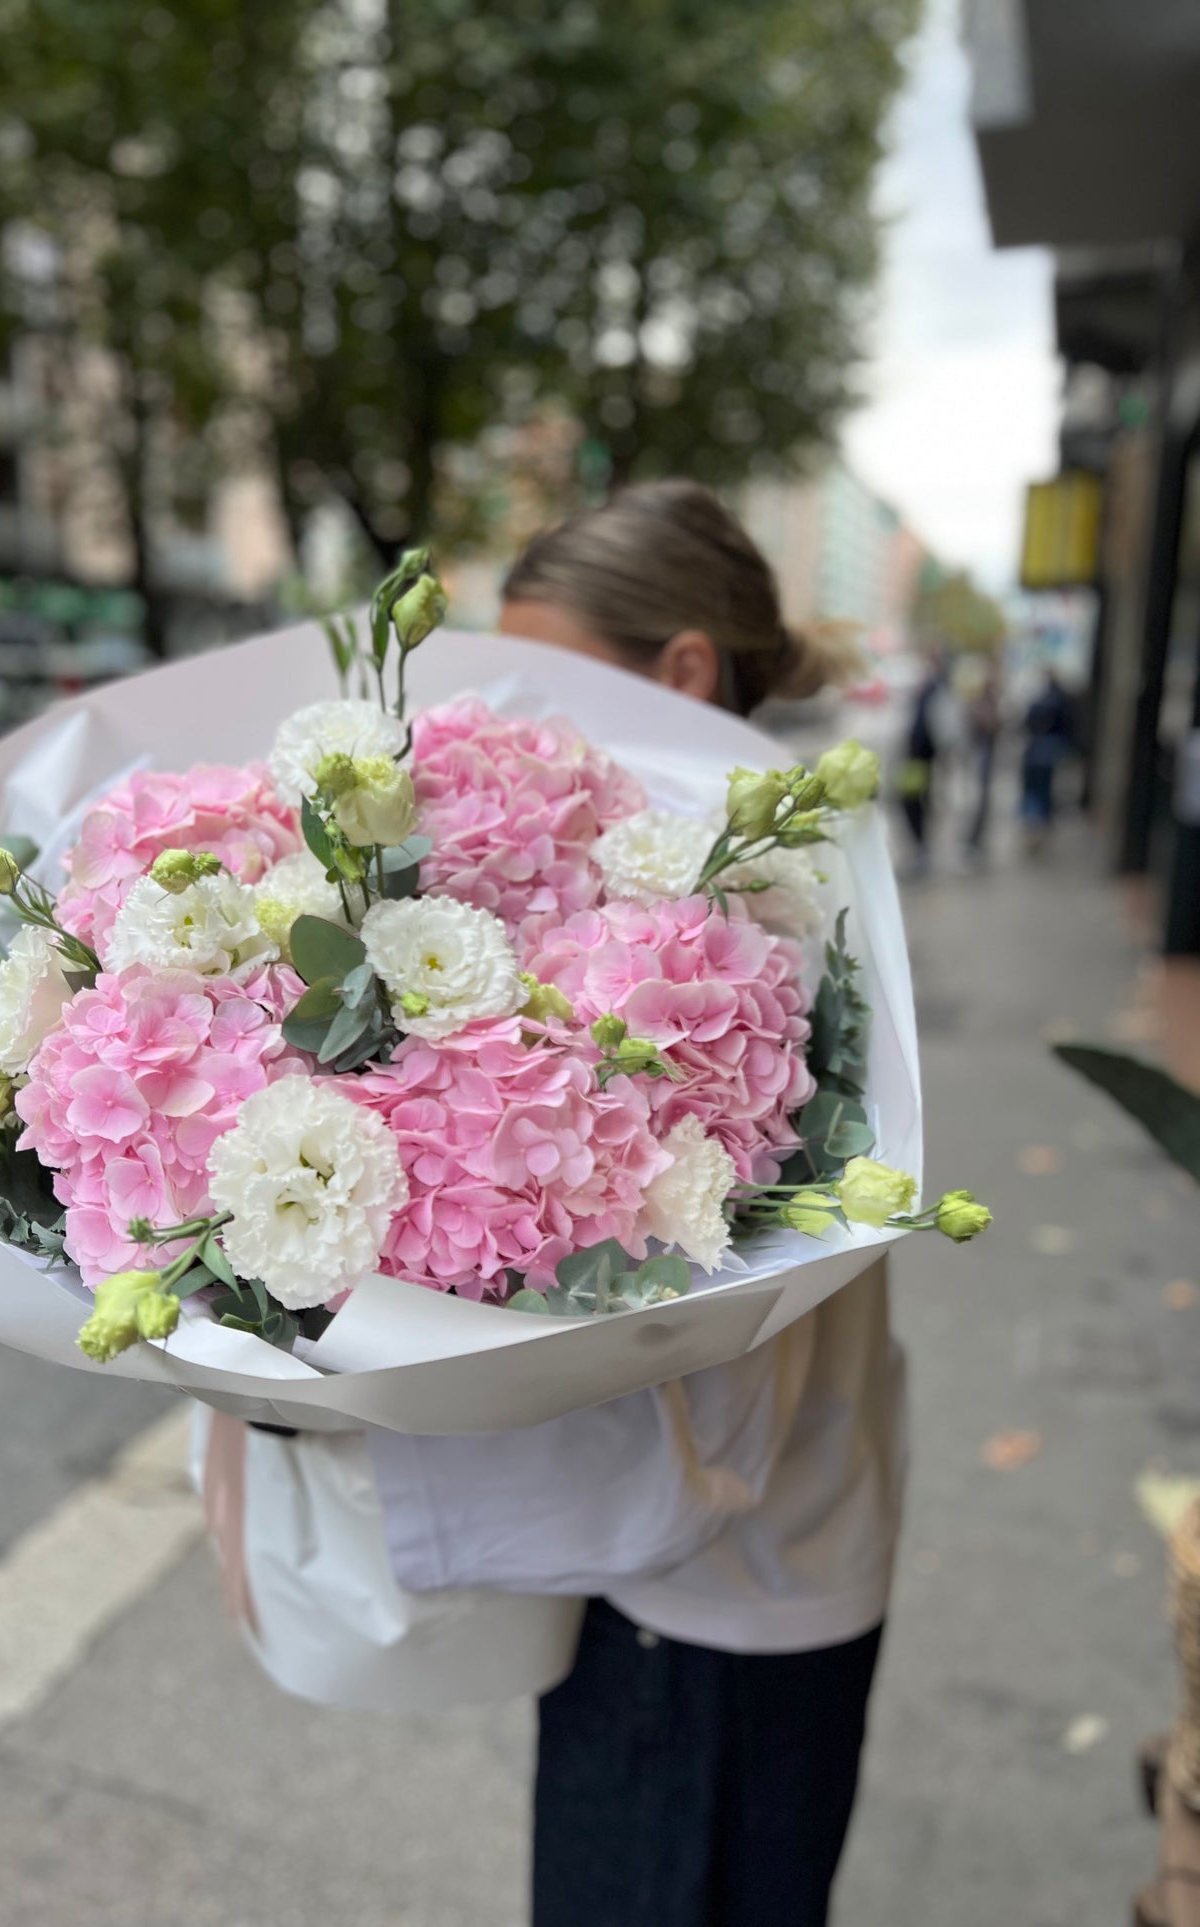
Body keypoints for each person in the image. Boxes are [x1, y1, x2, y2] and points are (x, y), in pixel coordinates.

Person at [368, 480, 905, 1927]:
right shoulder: (753, 878)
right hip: (726, 1543)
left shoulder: (754, 911)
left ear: (680, 669)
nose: (515, 724)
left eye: (541, 677)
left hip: (715, 1582)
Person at [896, 651, 955, 873]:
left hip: (921, 760)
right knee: (913, 801)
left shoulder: (936, 689)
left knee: (913, 801)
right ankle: (919, 849)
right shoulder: (930, 688)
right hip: (917, 758)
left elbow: (941, 728)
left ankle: (921, 851)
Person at [1019, 667, 1075, 852]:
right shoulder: (1061, 700)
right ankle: (1039, 824)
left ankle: (1033, 825)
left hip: (1035, 752)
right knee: (1043, 791)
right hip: (1049, 752)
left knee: (1033, 791)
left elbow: (1026, 723)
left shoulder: (1039, 700)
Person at [963, 662, 1004, 861]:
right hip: (978, 760)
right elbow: (985, 725)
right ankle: (971, 843)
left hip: (984, 760)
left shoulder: (991, 702)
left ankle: (975, 842)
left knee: (981, 804)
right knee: (975, 804)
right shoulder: (980, 703)